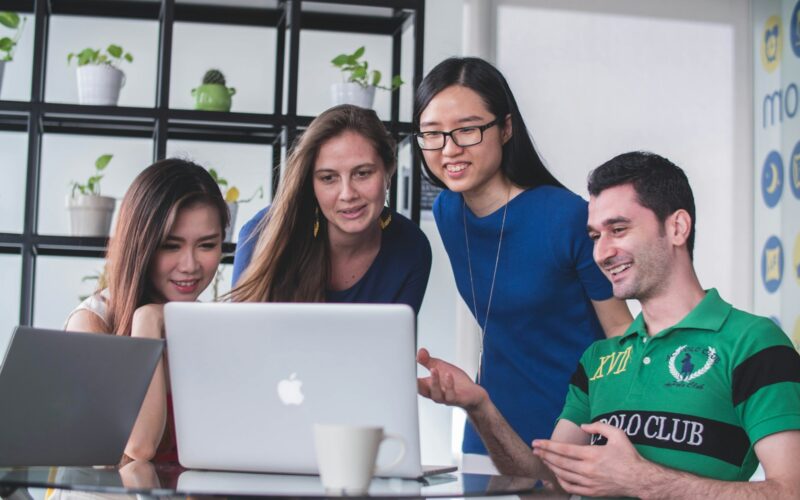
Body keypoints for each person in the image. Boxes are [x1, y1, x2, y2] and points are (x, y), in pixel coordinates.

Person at [417, 151, 800, 498]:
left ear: (678, 228)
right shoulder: (598, 359)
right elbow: (549, 489)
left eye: (619, 230)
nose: (601, 252)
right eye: (595, 236)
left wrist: (641, 480)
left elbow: (791, 490)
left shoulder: (754, 343)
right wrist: (480, 406)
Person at [413, 57, 632, 469]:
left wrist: (613, 434)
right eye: (433, 134)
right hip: (489, 426)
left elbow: (620, 333)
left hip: (574, 429)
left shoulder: (565, 216)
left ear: (506, 127)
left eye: (467, 130)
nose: (449, 149)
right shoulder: (447, 211)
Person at [65, 159, 228, 462]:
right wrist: (147, 322)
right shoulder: (91, 322)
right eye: (171, 246)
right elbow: (139, 446)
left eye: (206, 245)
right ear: (141, 245)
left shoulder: (207, 326)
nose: (190, 266)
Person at [231, 104, 432, 313]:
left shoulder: (412, 247)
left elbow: (395, 343)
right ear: (312, 184)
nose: (347, 194)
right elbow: (240, 338)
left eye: (362, 173)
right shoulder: (262, 234)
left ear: (388, 172)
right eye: (328, 178)